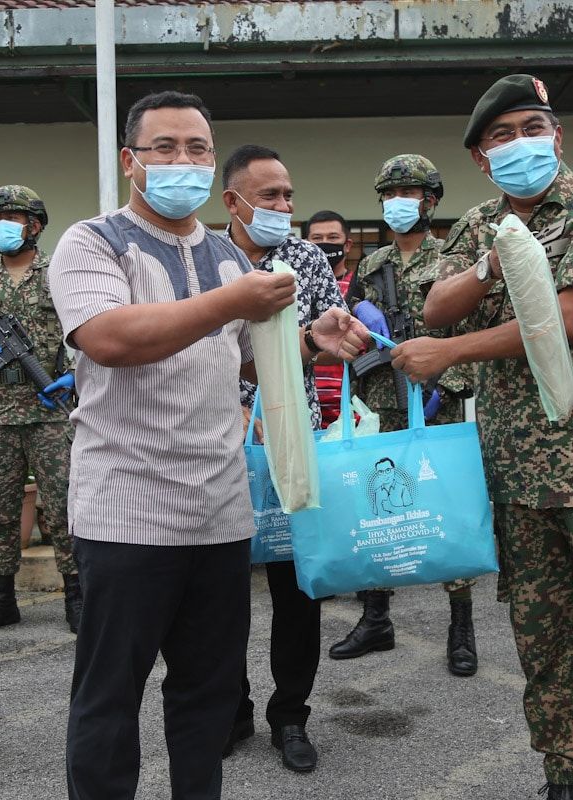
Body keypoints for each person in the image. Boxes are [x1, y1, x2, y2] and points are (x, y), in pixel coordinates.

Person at [51, 91, 363, 800]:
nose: (181, 160)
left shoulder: (227, 255)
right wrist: (235, 302)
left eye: (196, 148)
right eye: (164, 147)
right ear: (131, 161)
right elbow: (109, 338)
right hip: (127, 514)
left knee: (206, 698)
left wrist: (313, 339)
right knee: (108, 702)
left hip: (219, 515)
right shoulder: (94, 241)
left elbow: (239, 360)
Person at [390, 74, 573, 800]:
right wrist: (490, 260)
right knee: (544, 645)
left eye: (532, 128)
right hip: (521, 473)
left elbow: (570, 319)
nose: (520, 144)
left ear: (557, 137)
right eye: (501, 136)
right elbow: (436, 305)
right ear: (482, 161)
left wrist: (453, 354)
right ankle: (569, 780)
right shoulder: (480, 221)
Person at [221, 145, 358, 773]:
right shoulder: (204, 259)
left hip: (290, 442)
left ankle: (291, 716)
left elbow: (330, 336)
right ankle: (231, 707)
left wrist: (338, 336)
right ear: (233, 202)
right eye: (270, 196)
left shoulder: (305, 258)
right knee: (218, 594)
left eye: (288, 196)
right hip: (216, 447)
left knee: (296, 590)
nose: (284, 207)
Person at [328, 154, 480, 677]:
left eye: (409, 194)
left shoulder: (455, 263)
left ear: (431, 200)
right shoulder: (371, 267)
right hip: (383, 403)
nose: (398, 204)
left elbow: (470, 338)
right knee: (378, 510)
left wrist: (448, 386)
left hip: (440, 404)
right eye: (390, 196)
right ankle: (376, 618)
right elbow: (353, 338)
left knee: (447, 508)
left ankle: (461, 627)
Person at [0, 185, 81, 637]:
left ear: (35, 225)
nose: (3, 226)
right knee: (1, 509)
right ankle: (1, 598)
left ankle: (76, 593)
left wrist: (74, 373)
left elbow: (83, 329)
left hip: (50, 410)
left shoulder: (59, 275)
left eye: (14, 217)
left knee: (64, 504)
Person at [302, 210, 355, 427]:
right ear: (306, 243)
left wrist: (303, 348)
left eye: (333, 238)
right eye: (317, 239)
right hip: (303, 403)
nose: (325, 244)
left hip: (350, 406)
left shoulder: (360, 287)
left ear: (347, 245)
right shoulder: (295, 289)